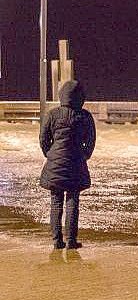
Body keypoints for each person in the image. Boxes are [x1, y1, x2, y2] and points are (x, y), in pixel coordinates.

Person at [39, 80, 96, 250]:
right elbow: (91, 140)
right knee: (73, 201)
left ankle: (57, 241)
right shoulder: (85, 116)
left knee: (56, 202)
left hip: (55, 165)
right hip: (76, 164)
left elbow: (43, 139)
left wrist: (50, 155)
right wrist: (84, 155)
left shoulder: (52, 114)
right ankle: (71, 240)